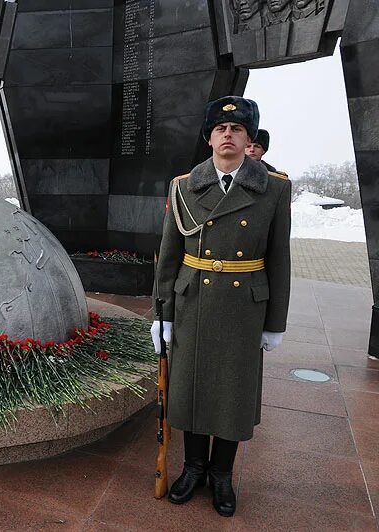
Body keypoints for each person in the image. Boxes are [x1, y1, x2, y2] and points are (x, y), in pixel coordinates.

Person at [151, 96, 291, 517]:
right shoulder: (183, 187)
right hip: (194, 300)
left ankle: (222, 475)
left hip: (243, 306)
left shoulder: (275, 188)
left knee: (232, 391)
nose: (227, 135)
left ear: (249, 139)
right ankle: (193, 468)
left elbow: (279, 258)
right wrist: (163, 314)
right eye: (220, 129)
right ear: (210, 138)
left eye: (237, 130)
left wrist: (275, 322)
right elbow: (169, 254)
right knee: (192, 386)